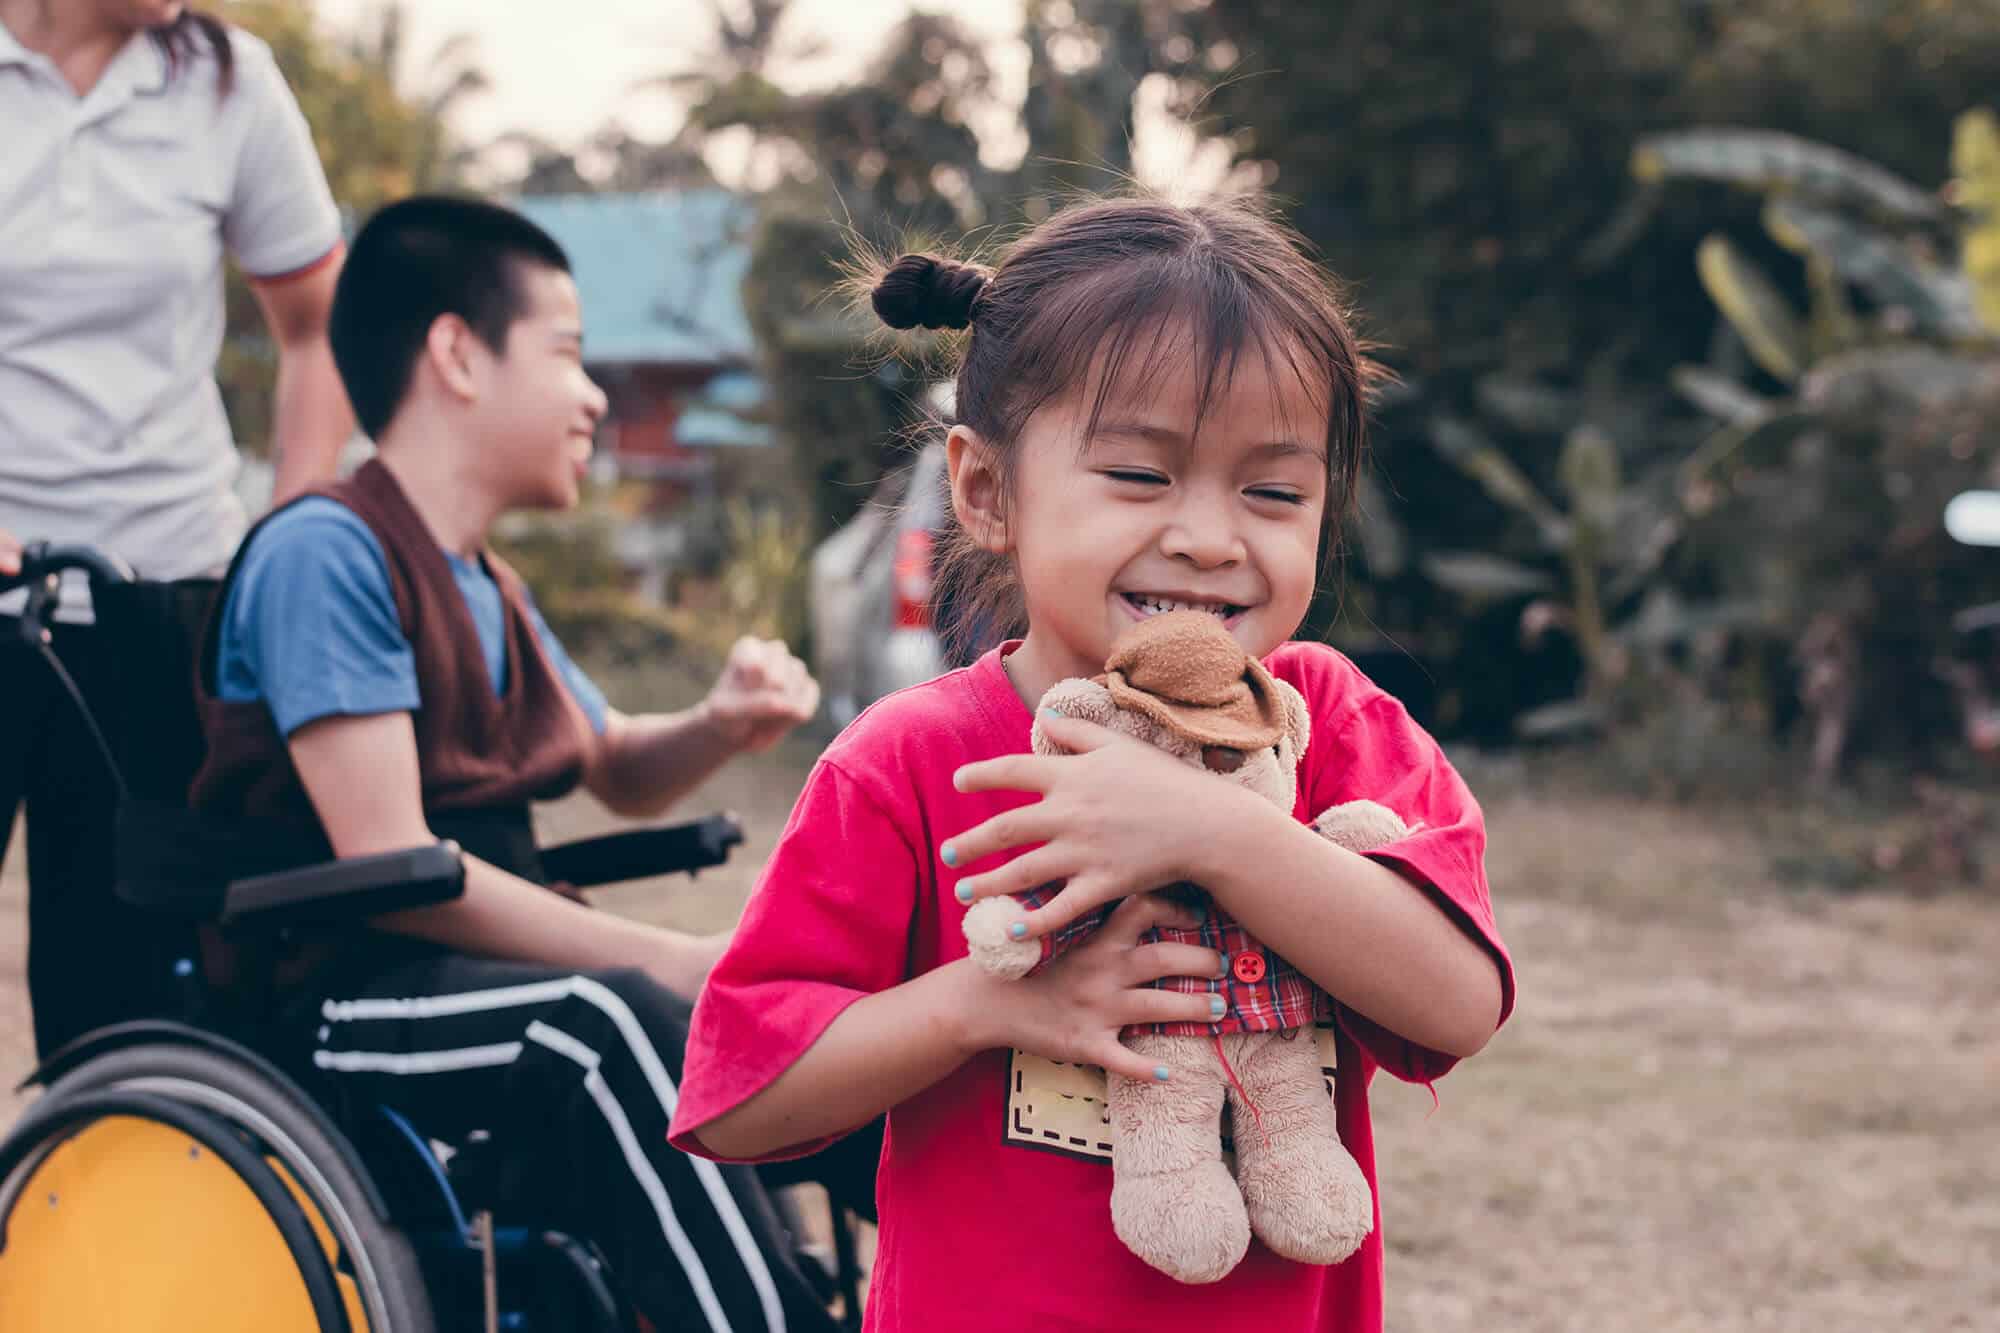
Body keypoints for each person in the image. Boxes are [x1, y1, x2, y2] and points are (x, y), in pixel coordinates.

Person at [668, 195, 1515, 1332]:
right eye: (1138, 474)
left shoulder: (1329, 726)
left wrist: (1210, 829)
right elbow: (738, 1100)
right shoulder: (913, 763)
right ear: (984, 491)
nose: (1212, 537)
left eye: (1272, 491)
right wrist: (981, 1002)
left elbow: (1458, 1002)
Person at [191, 194, 855, 1333]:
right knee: (608, 1022)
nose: (594, 394)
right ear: (456, 352)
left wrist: (718, 721)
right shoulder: (324, 553)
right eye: (567, 355)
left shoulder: (482, 579)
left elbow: (611, 764)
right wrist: (668, 954)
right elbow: (392, 861)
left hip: (455, 978)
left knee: (792, 1005)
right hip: (340, 990)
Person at [0, 0, 352, 1057]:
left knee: (121, 988)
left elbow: (315, 327)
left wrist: (287, 531)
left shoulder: (229, 84)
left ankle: (97, 1213)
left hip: (161, 593)